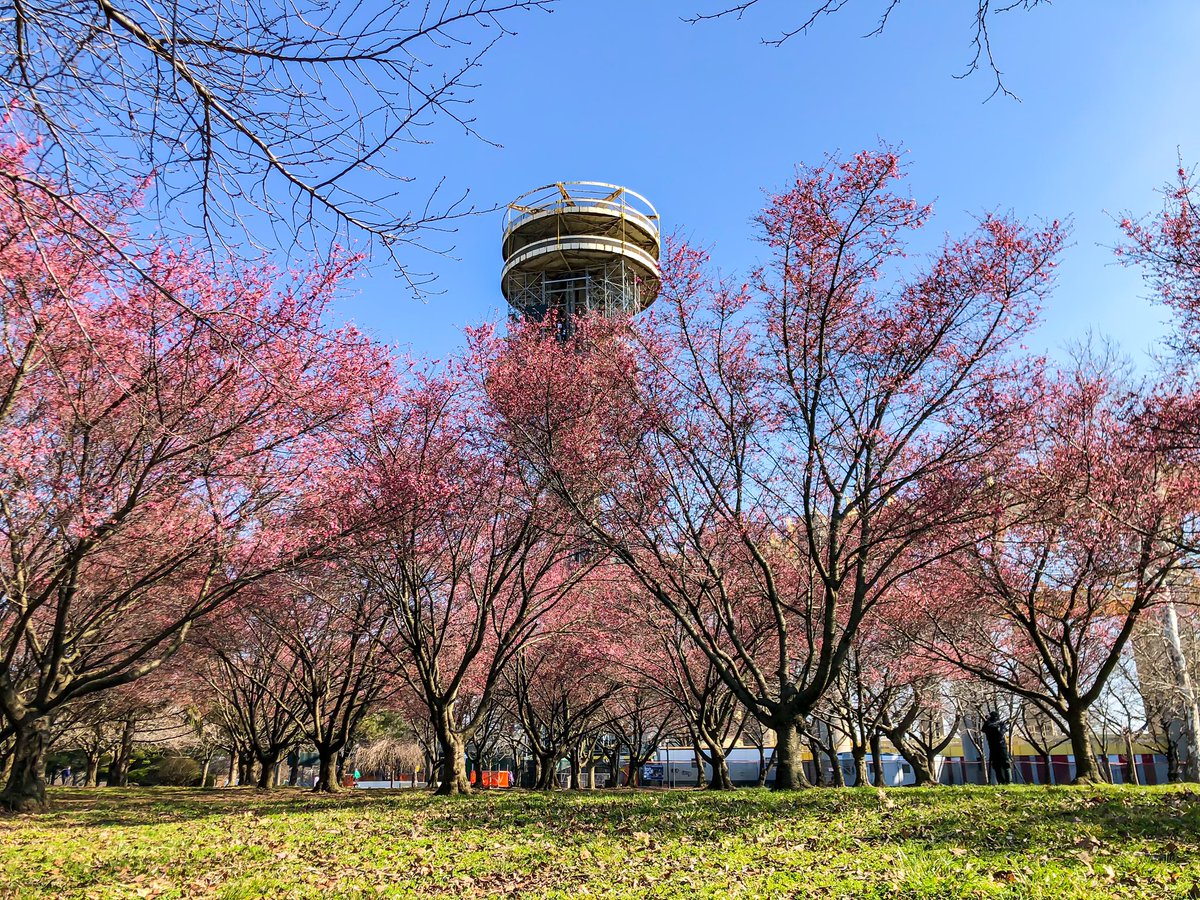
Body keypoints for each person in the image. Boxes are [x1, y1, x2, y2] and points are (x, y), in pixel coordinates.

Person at [982, 711, 1013, 785]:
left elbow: (984, 729)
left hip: (995, 747)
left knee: (999, 765)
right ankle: (1008, 781)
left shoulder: (989, 724)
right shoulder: (998, 724)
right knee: (1003, 764)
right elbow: (1003, 731)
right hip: (1000, 747)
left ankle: (1003, 781)